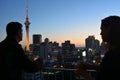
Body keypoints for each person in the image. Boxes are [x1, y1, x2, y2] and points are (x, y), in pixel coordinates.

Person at [75, 15, 120, 80]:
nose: (100, 33)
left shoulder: (113, 55)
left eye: (102, 29)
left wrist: (84, 75)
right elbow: (109, 70)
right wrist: (90, 67)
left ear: (109, 29)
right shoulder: (114, 53)